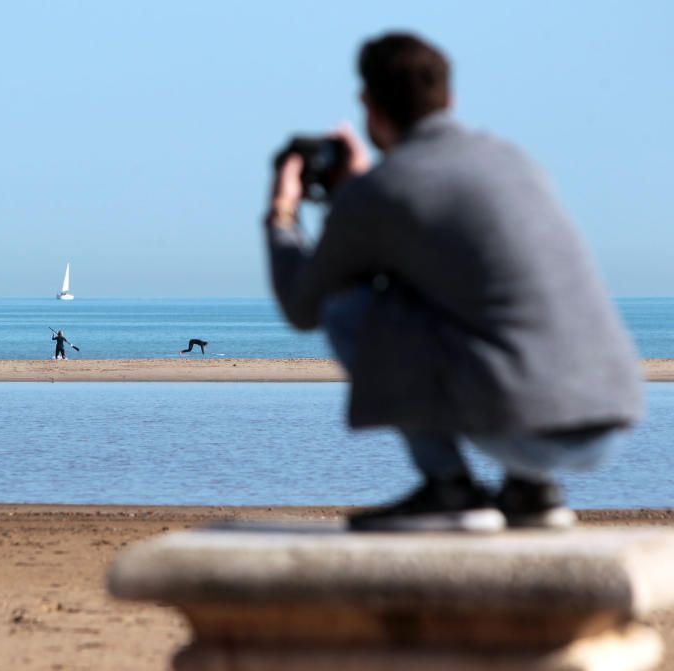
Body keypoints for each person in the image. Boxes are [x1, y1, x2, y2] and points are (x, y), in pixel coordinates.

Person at [265, 33, 641, 532]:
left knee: (350, 307)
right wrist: (360, 191)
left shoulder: (383, 191)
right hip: (612, 414)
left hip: (528, 424)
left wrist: (282, 213)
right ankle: (530, 489)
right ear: (450, 101)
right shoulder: (511, 161)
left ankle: (450, 488)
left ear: (369, 106)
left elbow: (303, 305)